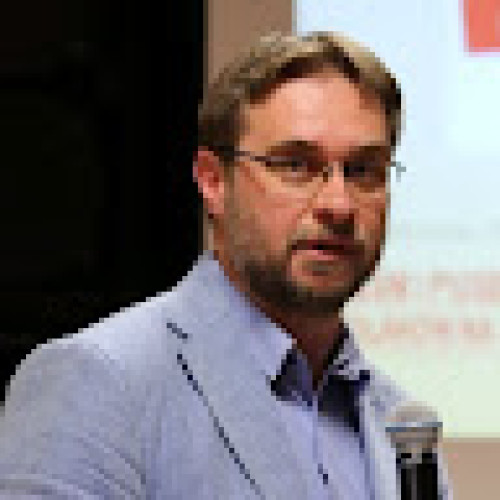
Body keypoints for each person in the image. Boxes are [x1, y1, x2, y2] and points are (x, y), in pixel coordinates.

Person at [0, 32, 451, 499]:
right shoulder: (98, 381)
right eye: (295, 165)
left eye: (363, 170)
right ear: (213, 181)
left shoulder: (400, 429)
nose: (338, 204)